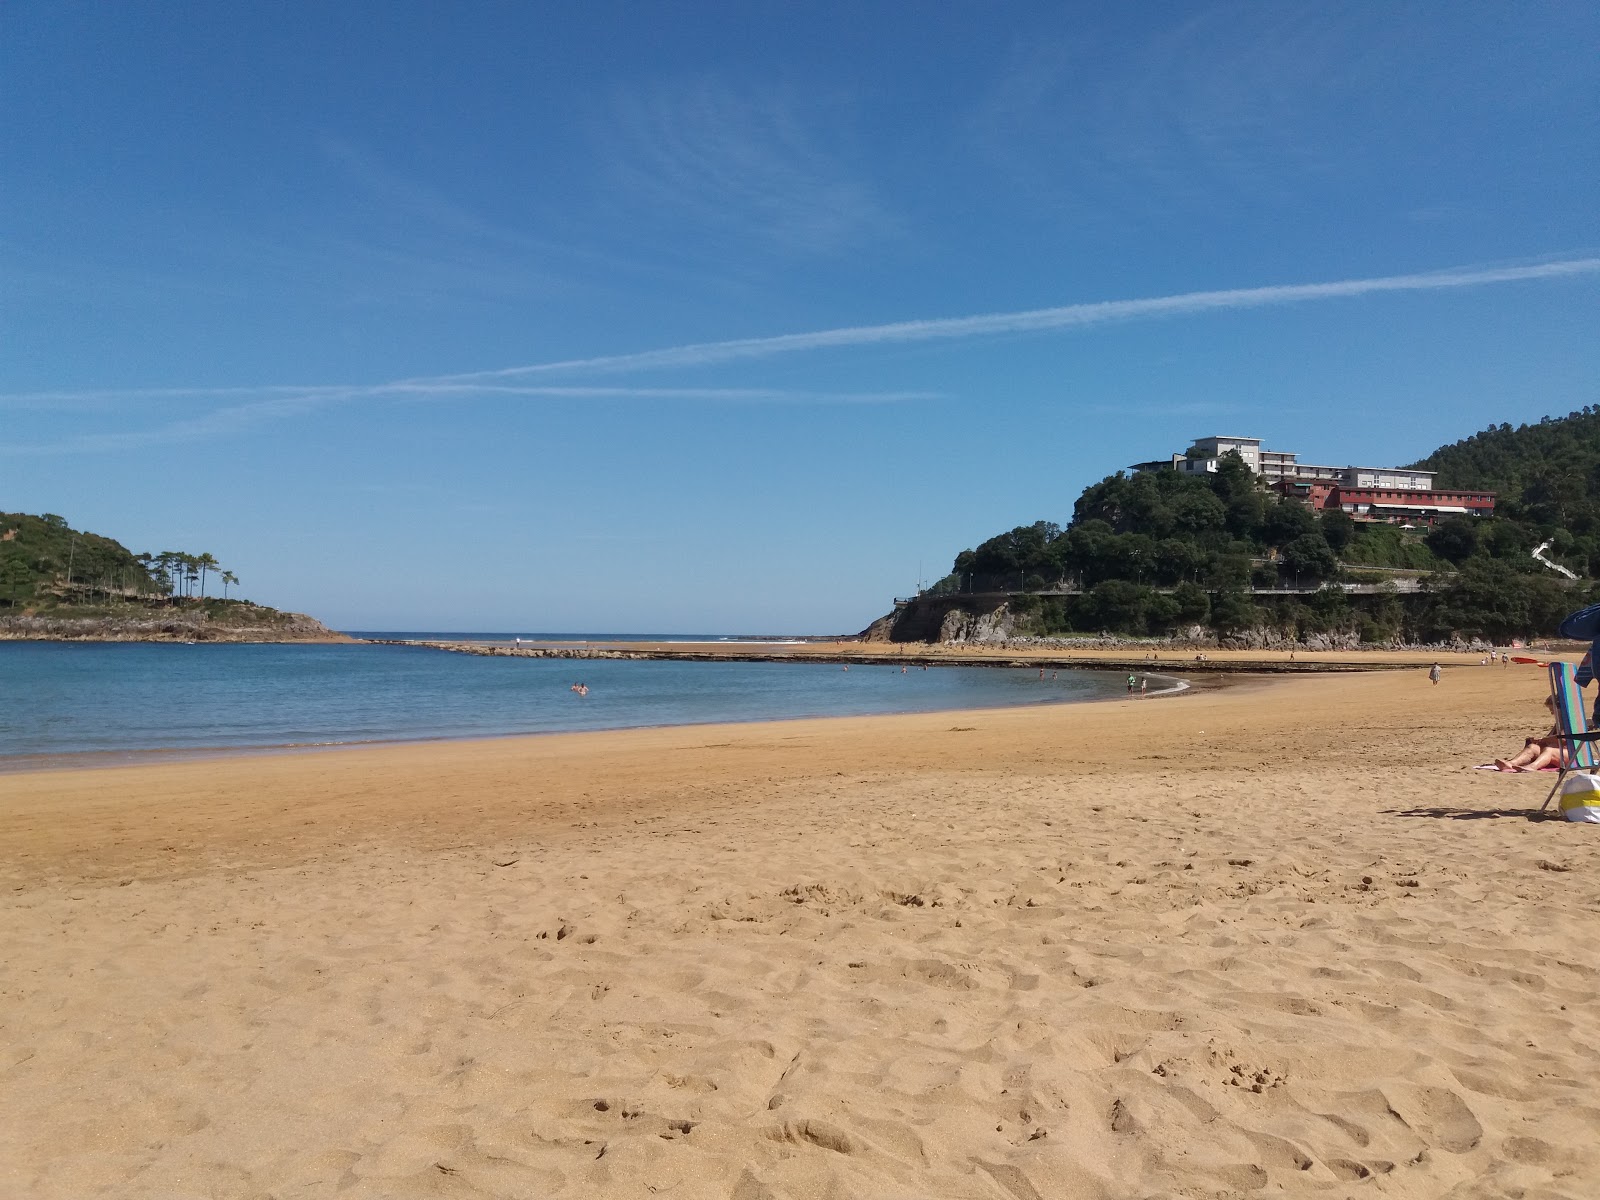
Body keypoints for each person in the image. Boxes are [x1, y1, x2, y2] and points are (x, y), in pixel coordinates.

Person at [1493, 697, 1565, 772]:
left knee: (1549, 750)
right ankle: (1511, 764)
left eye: (1552, 710)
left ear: (1560, 709)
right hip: (1559, 753)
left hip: (1570, 754)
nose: (1552, 713)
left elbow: (1563, 738)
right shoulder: (1559, 723)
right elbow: (1549, 738)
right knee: (1532, 747)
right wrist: (1538, 741)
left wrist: (1543, 739)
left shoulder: (1571, 723)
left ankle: (1532, 767)